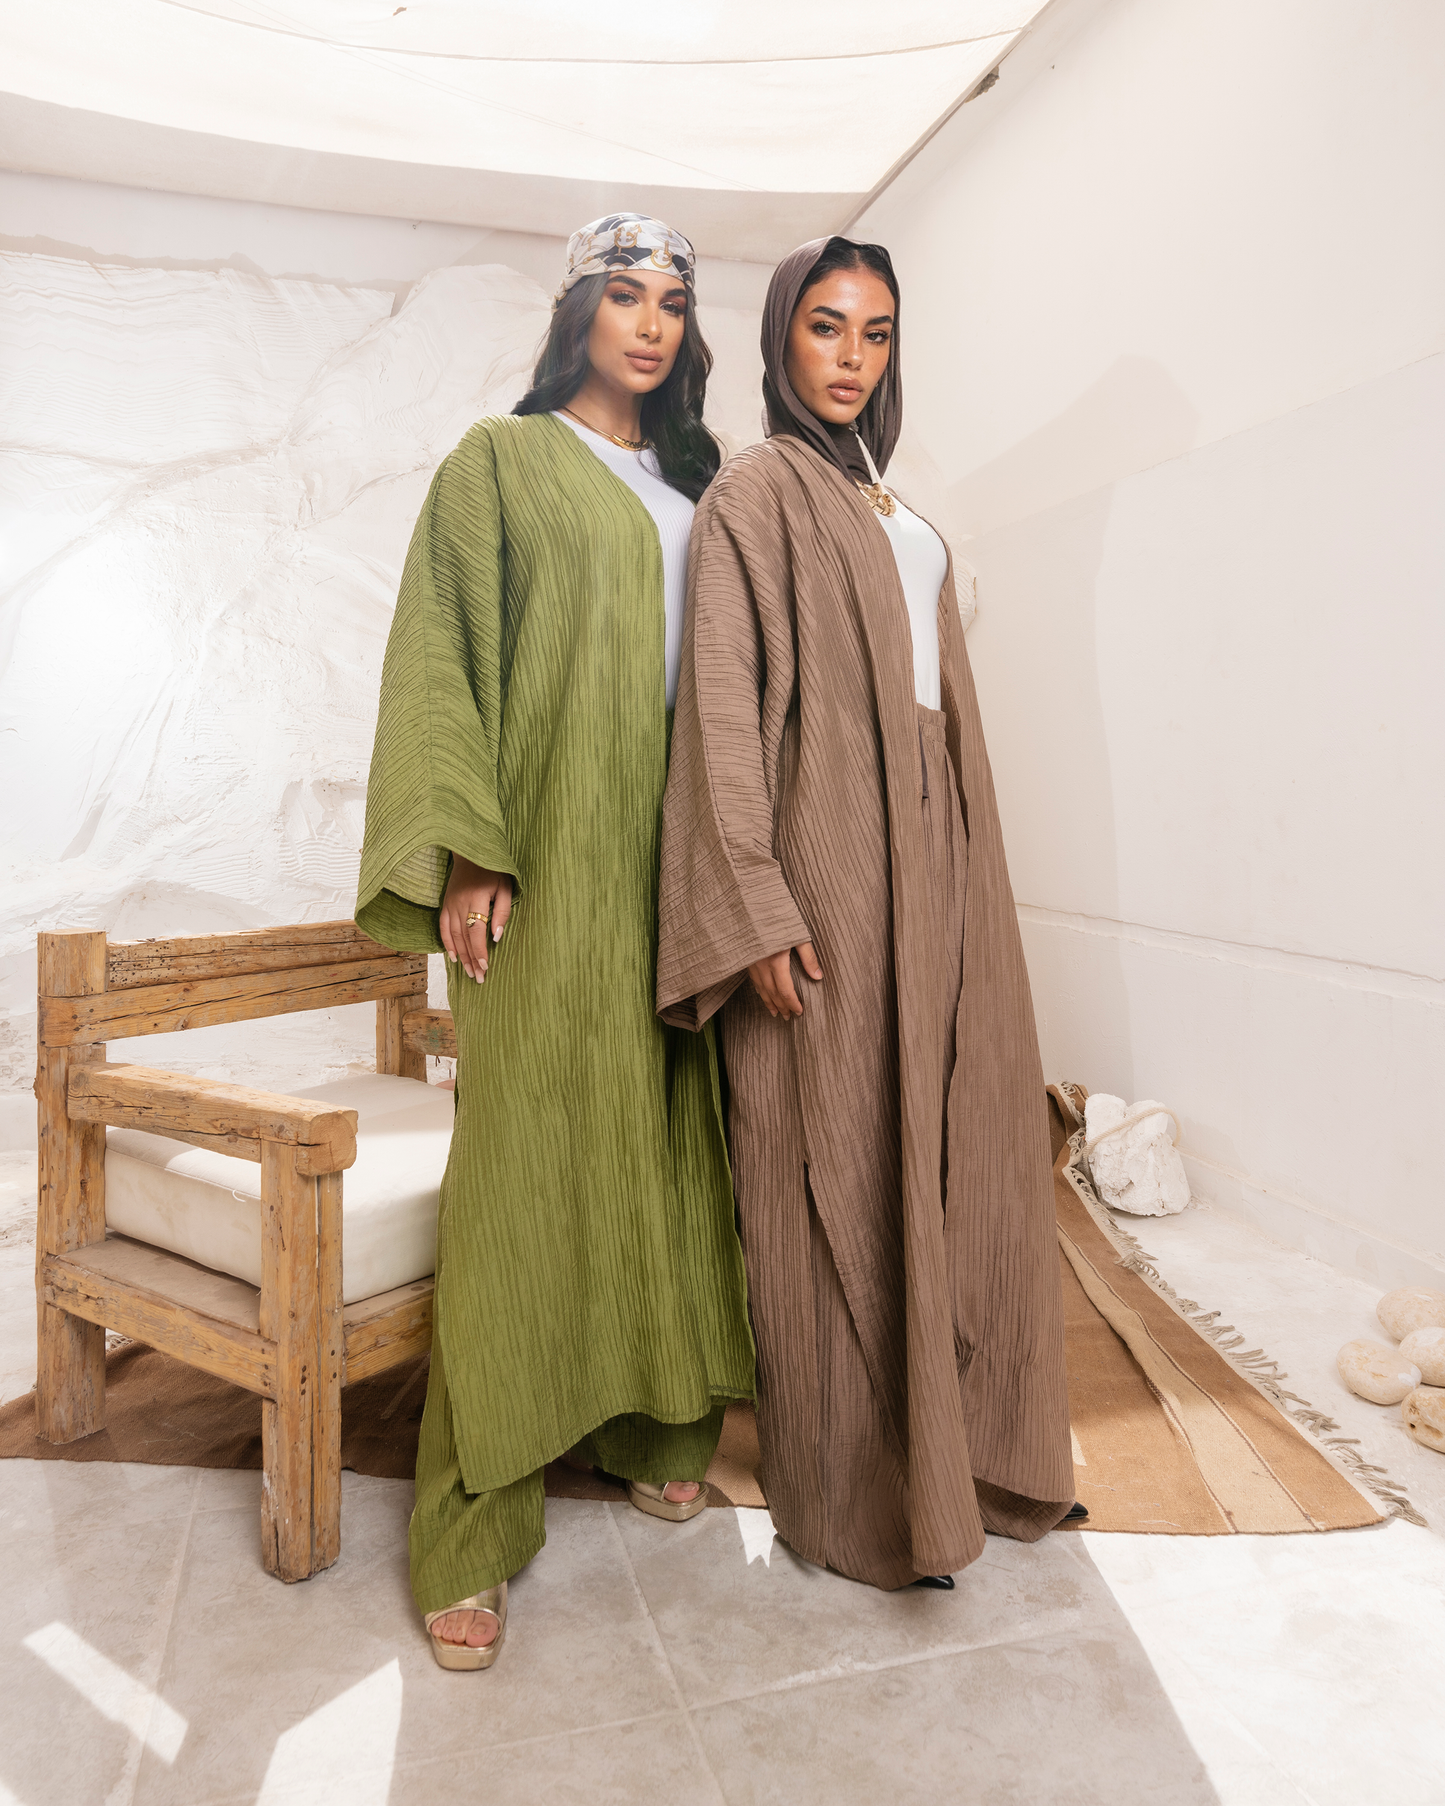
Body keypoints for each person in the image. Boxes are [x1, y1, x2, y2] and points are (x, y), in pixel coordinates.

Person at [356, 215, 754, 1670]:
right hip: (549, 849)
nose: (648, 323)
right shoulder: (503, 462)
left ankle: (656, 1422)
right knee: (524, 1162)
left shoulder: (704, 481)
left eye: (673, 302)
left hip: (680, 863)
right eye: (624, 295)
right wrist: (475, 845)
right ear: (578, 309)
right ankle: (474, 1518)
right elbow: (442, 652)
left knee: (668, 1138)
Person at [656, 235, 1074, 1592]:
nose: (851, 356)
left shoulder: (883, 495)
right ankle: (851, 1494)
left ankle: (970, 1457)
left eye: (876, 332)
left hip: (936, 843)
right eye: (827, 326)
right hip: (827, 855)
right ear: (782, 335)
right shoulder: (754, 491)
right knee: (824, 1153)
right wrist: (756, 900)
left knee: (953, 1138)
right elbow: (722, 706)